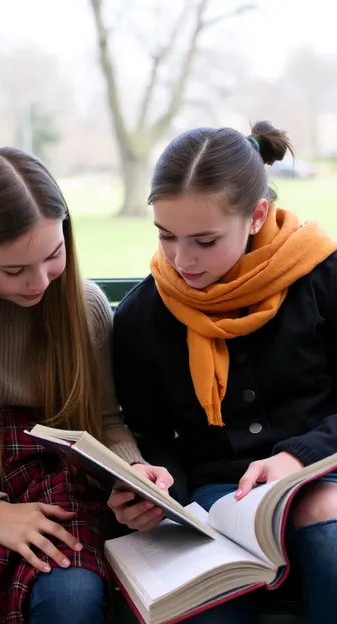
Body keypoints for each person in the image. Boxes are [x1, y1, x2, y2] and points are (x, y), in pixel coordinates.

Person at [0, 147, 172, 624]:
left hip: (54, 482)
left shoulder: (85, 306)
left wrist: (133, 473)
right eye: (14, 270)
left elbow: (104, 422)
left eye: (53, 255)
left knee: (71, 600)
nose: (40, 282)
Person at [109, 121, 337, 623]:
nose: (181, 259)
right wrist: (160, 497)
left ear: (256, 216)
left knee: (327, 529)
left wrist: (298, 460)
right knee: (204, 608)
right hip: (217, 503)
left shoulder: (323, 276)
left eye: (205, 241)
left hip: (326, 470)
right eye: (166, 236)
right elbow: (150, 432)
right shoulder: (142, 316)